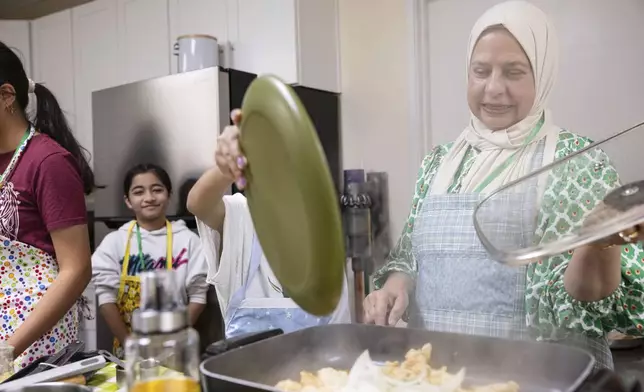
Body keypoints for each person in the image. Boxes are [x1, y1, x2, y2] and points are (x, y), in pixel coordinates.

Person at [363, 0, 643, 370]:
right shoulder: (438, 162)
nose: (493, 88)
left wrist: (599, 242)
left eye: (513, 72)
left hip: (537, 376)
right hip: (438, 374)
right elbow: (411, 258)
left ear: (542, 75)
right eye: (481, 70)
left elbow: (585, 298)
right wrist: (395, 285)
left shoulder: (576, 162)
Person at [187, 110, 352, 338]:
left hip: (319, 373)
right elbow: (198, 203)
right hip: (240, 374)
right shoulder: (244, 220)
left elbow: (340, 339)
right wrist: (228, 167)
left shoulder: (326, 251)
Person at [0, 42, 94, 369]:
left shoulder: (48, 161)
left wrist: (7, 350)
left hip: (32, 340)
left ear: (7, 96)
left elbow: (77, 269)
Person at [92, 163, 209, 357]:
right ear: (128, 201)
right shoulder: (115, 242)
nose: (149, 198)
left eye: (157, 190)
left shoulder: (188, 241)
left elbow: (198, 296)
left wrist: (172, 342)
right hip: (128, 350)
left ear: (168, 195)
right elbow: (106, 299)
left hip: (175, 349)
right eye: (138, 192)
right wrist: (130, 346)